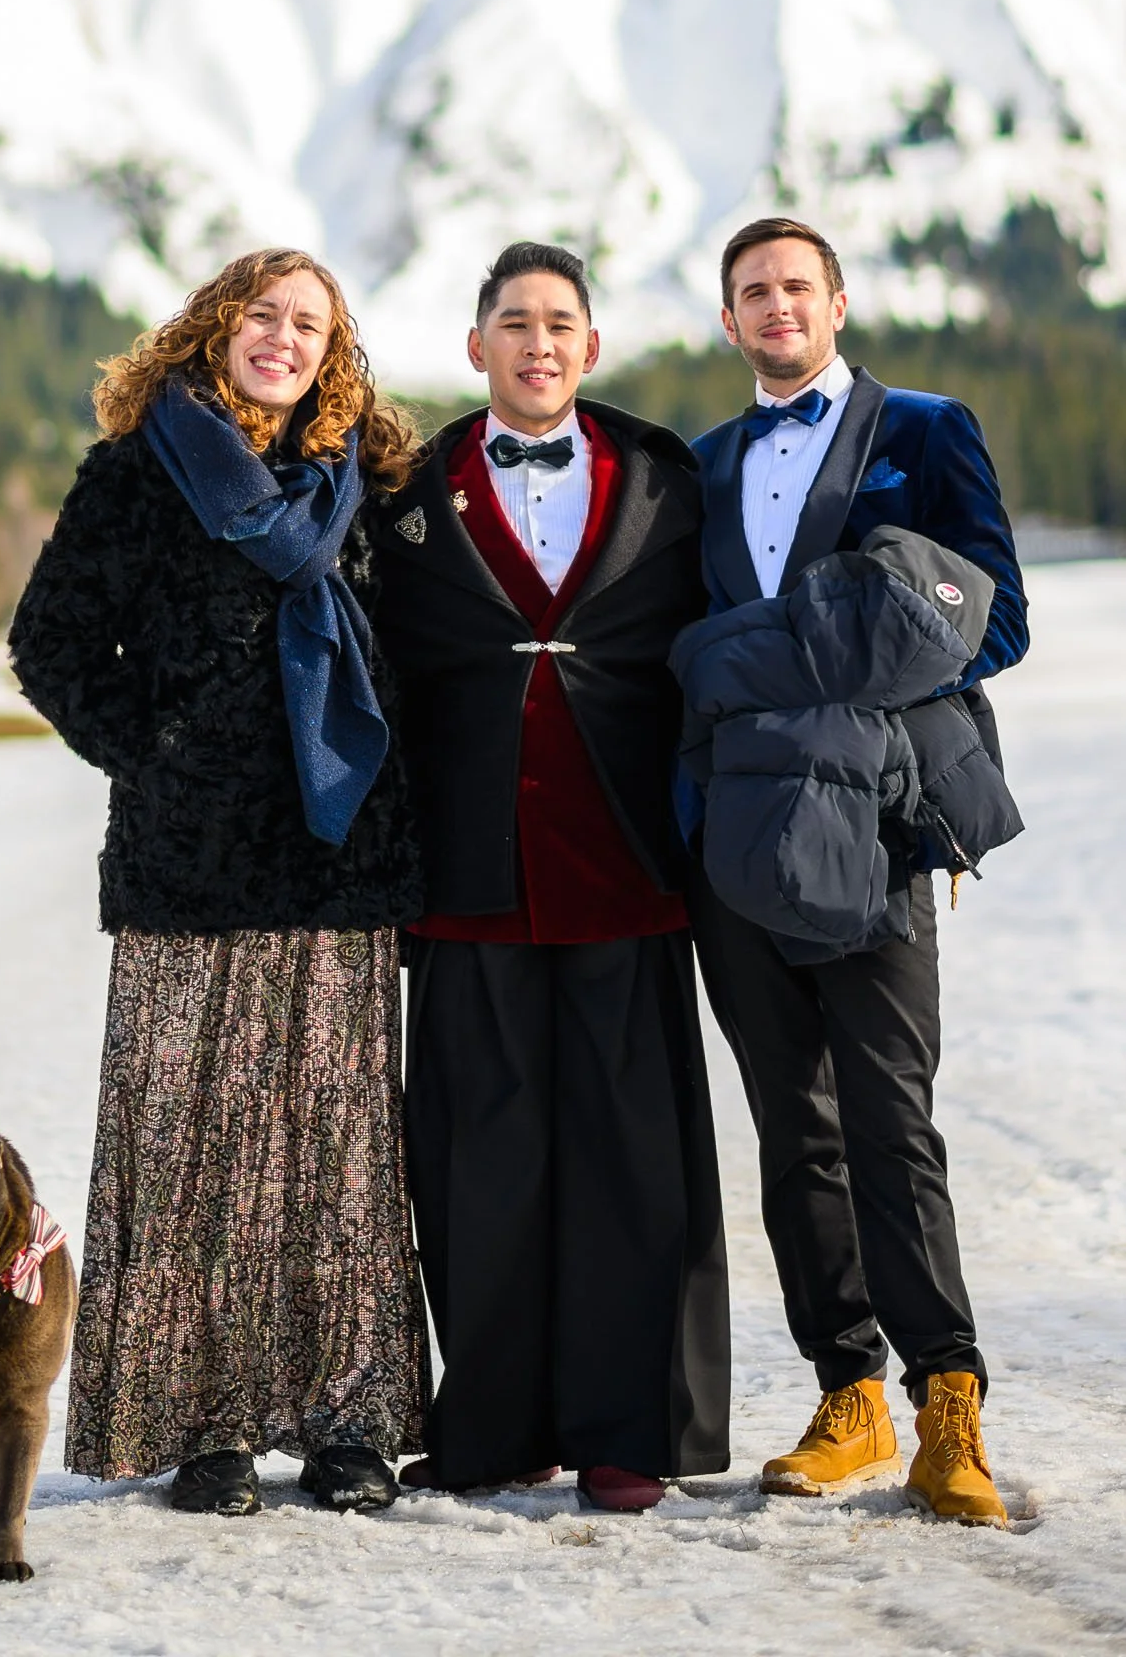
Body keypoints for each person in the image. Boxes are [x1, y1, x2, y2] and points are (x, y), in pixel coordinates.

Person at [8, 247, 432, 1517]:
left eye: (310, 324)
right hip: (187, 863)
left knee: (340, 1151)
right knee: (190, 1143)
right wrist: (160, 748)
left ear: (334, 350)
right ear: (213, 327)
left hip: (337, 854)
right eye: (264, 315)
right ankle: (210, 1425)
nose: (284, 339)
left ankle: (351, 1423)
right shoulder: (141, 470)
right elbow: (52, 641)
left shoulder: (367, 478)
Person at [371, 240, 730, 1513]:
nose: (536, 342)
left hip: (626, 864)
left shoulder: (665, 483)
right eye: (512, 321)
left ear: (590, 346)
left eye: (559, 322)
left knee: (632, 1160)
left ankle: (629, 1429)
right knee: (478, 1160)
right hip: (466, 875)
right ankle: (496, 1424)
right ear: (476, 347)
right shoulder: (402, 490)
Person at [682, 214, 1028, 1526]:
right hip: (733, 840)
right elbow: (677, 651)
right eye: (751, 292)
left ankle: (949, 1398)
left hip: (876, 828)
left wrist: (814, 683)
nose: (776, 307)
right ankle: (849, 1391)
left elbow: (994, 616)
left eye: (795, 287)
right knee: (792, 1127)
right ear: (729, 321)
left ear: (838, 301)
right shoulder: (708, 465)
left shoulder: (925, 431)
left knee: (890, 1116)